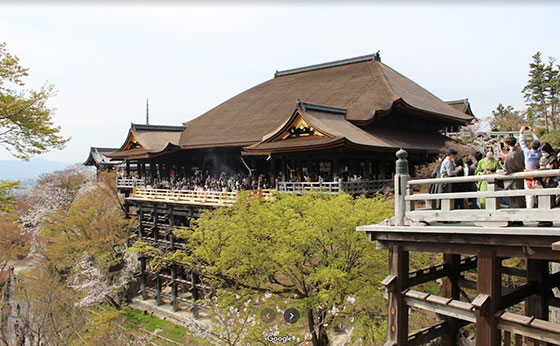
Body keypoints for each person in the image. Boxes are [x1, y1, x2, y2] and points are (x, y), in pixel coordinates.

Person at [503, 135, 526, 226]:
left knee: (514, 199)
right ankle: (520, 218)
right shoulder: (520, 152)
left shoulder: (509, 156)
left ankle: (516, 219)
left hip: (513, 178)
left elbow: (507, 170)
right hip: (520, 175)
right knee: (520, 198)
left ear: (507, 144)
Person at [518, 126, 541, 208]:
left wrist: (521, 133)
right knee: (539, 193)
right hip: (537, 173)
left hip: (528, 174)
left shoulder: (527, 153)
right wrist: (532, 133)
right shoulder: (539, 153)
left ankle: (529, 209)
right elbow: (538, 142)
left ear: (531, 145)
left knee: (529, 195)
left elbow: (522, 143)